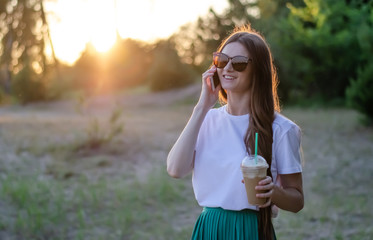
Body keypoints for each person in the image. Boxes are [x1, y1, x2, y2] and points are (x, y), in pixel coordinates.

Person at [167, 25, 304, 240]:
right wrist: (201, 107)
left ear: (257, 71)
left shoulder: (281, 129)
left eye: (239, 63)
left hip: (251, 230)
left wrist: (273, 193)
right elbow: (175, 169)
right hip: (208, 228)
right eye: (222, 60)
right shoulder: (206, 119)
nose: (228, 68)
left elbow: (297, 201)